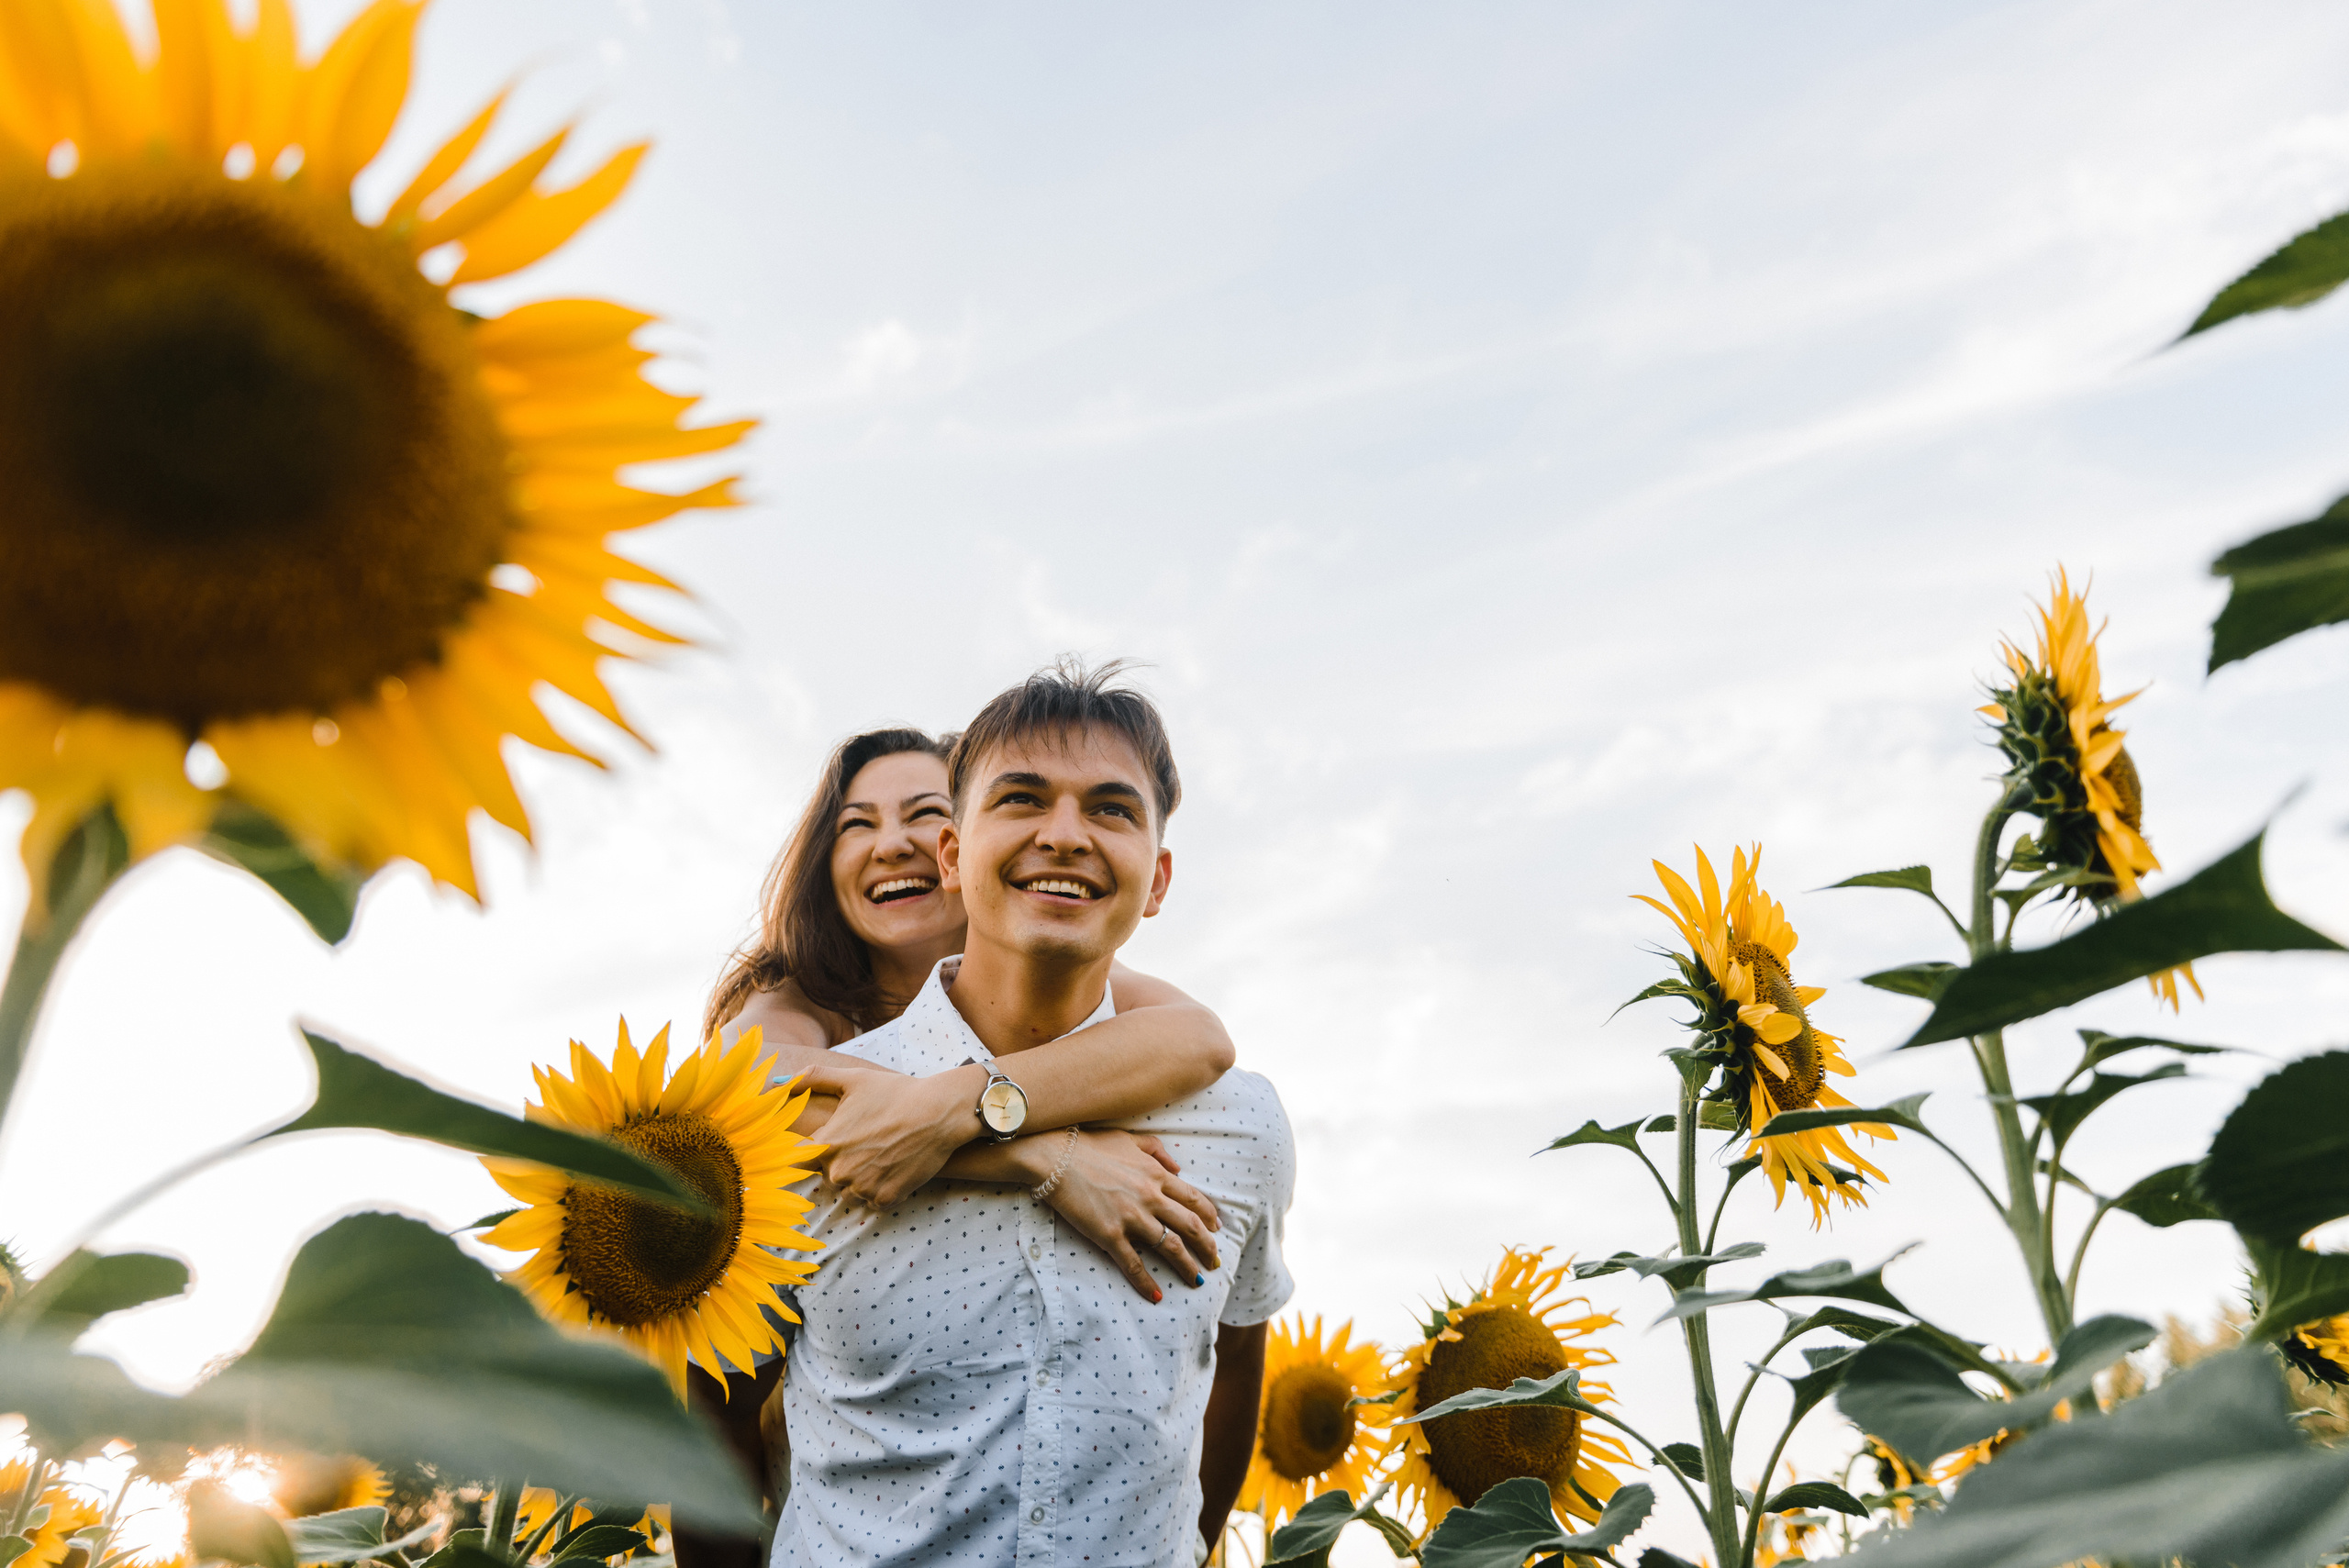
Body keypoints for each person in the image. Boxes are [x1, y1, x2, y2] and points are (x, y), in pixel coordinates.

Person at [676, 725, 1246, 1566]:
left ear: (958, 847)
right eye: (858, 823)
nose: (892, 843)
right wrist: (1043, 1157)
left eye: (922, 813)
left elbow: (1198, 1037)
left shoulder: (1066, 967)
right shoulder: (795, 1003)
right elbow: (742, 1099)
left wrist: (962, 1105)